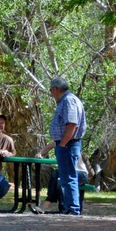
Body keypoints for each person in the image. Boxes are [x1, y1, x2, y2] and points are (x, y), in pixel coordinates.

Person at [45, 76, 87, 216]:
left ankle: (74, 209)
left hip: (68, 145)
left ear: (56, 89)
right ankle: (69, 208)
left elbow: (72, 124)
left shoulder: (69, 101)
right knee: (65, 177)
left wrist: (62, 144)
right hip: (65, 144)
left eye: (51, 90)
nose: (51, 93)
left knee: (69, 177)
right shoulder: (67, 101)